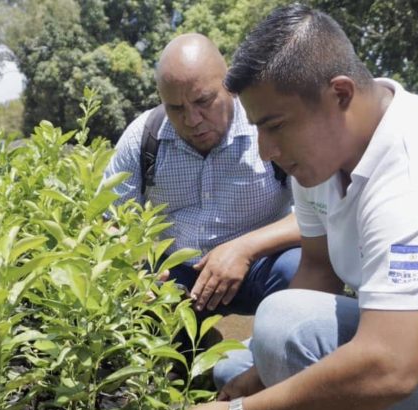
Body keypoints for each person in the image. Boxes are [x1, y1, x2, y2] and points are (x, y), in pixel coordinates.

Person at [182, 5, 418, 410]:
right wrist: (267, 373)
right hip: (403, 343)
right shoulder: (318, 162)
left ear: (340, 94)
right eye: (257, 128)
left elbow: (391, 367)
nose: (266, 150)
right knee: (238, 366)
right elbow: (317, 271)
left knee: (284, 331)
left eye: (274, 126)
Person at [103, 34, 301, 322]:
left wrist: (244, 249)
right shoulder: (144, 137)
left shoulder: (268, 126)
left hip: (258, 264)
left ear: (230, 86)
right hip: (176, 277)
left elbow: (319, 215)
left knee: (297, 270)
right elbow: (110, 221)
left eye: (204, 101)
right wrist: (131, 273)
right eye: (176, 108)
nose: (192, 120)